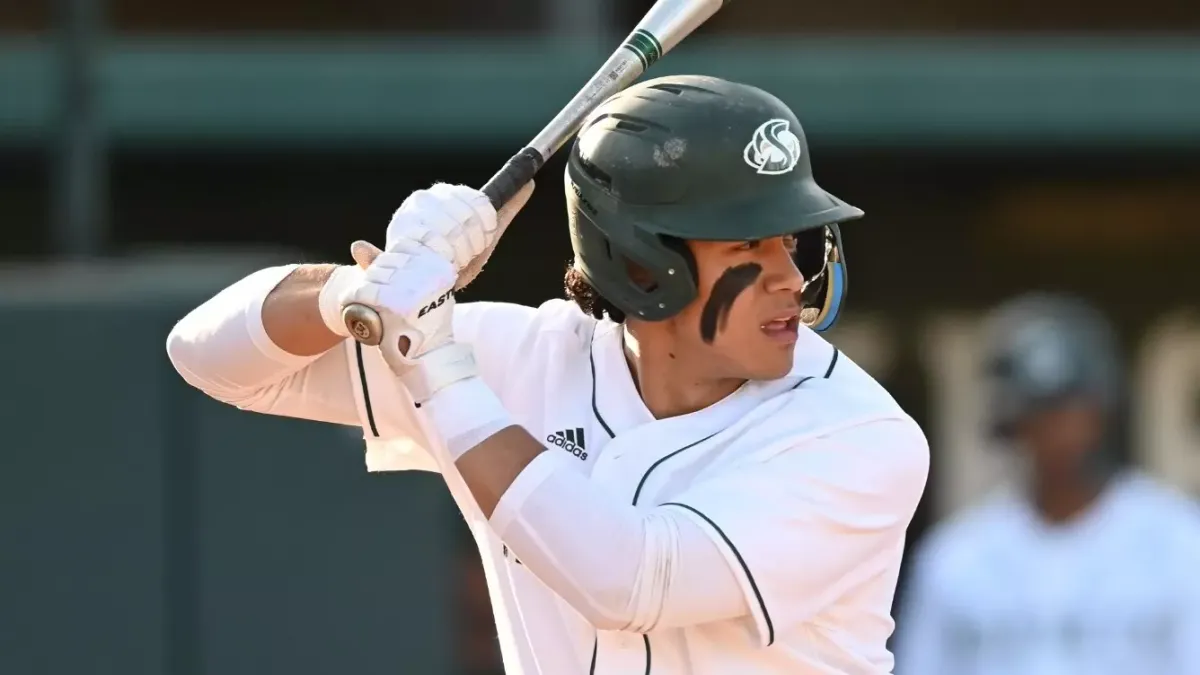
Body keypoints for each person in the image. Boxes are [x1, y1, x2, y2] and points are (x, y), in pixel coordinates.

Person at [167, 75, 929, 674]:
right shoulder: (520, 356)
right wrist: (354, 295)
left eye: (790, 243)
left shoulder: (860, 435)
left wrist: (432, 362)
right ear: (641, 261)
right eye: (747, 249)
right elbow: (207, 357)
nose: (787, 279)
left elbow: (631, 579)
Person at [893, 293, 1200, 675]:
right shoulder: (957, 558)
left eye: (1070, 407)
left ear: (1103, 408)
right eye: (1040, 412)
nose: (1060, 432)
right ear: (1012, 424)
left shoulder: (1181, 541)